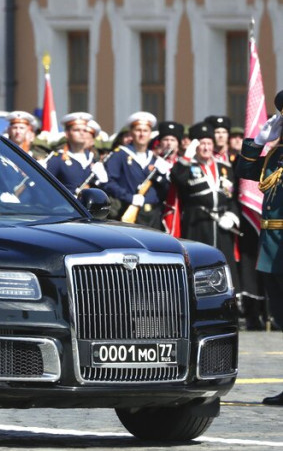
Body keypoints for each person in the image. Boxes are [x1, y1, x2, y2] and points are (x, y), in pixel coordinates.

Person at [235, 91, 283, 405]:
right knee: (281, 317)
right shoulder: (276, 154)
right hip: (273, 248)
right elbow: (246, 172)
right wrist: (258, 141)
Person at [171, 122, 240, 289]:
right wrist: (186, 158)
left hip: (222, 224)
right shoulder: (188, 166)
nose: (206, 148)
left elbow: (232, 197)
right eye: (202, 144)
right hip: (198, 223)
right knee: (200, 264)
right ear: (196, 146)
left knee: (224, 262)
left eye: (209, 143)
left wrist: (231, 216)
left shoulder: (224, 167)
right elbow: (177, 179)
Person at [100, 111, 171, 228]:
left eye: (145, 131)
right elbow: (109, 183)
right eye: (138, 130)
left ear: (150, 134)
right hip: (128, 211)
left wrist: (162, 177)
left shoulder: (155, 158)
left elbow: (165, 191)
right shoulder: (120, 154)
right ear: (131, 133)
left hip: (153, 215)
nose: (142, 134)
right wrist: (129, 197)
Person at [44, 112, 108, 194]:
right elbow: (46, 187)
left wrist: (103, 181)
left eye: (85, 130)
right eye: (76, 130)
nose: (82, 133)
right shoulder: (57, 159)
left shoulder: (93, 160)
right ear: (67, 134)